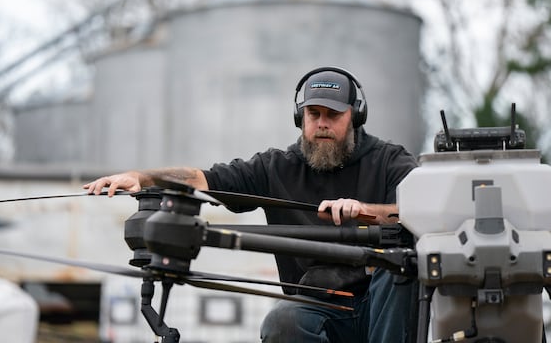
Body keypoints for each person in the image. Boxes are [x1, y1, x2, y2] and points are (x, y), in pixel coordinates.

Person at [84, 66, 419, 343]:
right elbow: (204, 178)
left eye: (333, 115)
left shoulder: (390, 160)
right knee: (283, 322)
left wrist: (366, 211)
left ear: (355, 117)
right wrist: (143, 177)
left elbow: (425, 209)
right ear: (299, 117)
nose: (322, 124)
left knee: (399, 267)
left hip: (383, 306)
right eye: (313, 114)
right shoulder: (274, 166)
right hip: (318, 309)